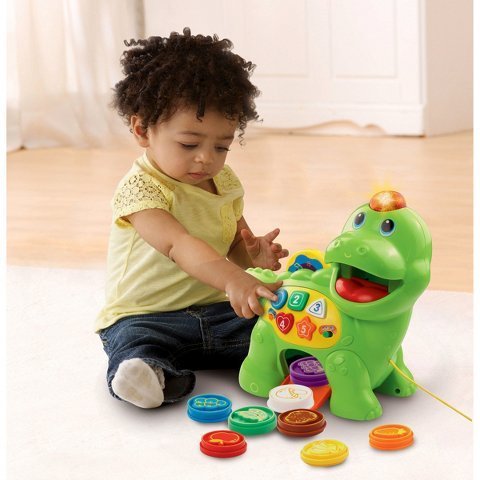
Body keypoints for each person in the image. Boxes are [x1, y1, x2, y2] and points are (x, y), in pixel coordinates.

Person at [95, 28, 288, 409]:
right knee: (134, 342)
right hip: (148, 317)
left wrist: (252, 258)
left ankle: (290, 353)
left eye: (222, 146)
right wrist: (234, 278)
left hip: (218, 312)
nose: (206, 158)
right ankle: (146, 374)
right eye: (189, 144)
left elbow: (234, 243)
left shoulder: (224, 181)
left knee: (275, 315)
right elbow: (179, 244)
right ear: (142, 130)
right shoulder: (140, 189)